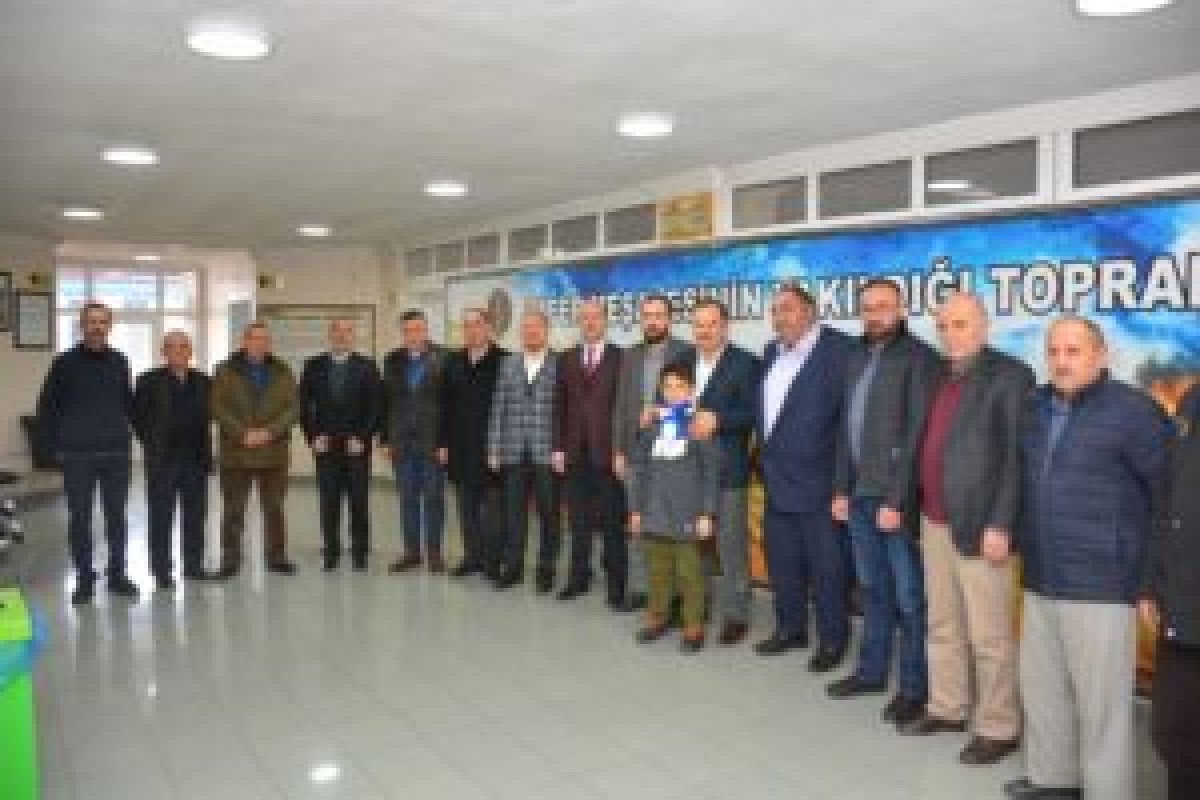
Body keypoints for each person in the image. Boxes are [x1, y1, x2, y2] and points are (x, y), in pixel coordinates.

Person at [1005, 317, 1171, 800]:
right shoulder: (1036, 406)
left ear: (1101, 355)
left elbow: (1167, 499)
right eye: (1054, 351)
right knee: (1044, 689)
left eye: (1073, 351)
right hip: (1041, 576)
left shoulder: (1134, 411)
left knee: (1102, 709)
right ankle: (1054, 781)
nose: (1061, 361)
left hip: (1103, 582)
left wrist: (1150, 579)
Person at [898, 293, 1033, 767]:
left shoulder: (1011, 376)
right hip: (934, 521)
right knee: (943, 623)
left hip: (982, 527)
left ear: (983, 326)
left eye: (960, 324)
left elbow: (1016, 459)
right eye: (943, 325)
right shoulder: (938, 374)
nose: (950, 334)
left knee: (989, 636)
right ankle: (948, 707)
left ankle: (998, 727)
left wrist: (1002, 523)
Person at [829, 278, 942, 729]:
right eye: (868, 307)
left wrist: (897, 499)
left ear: (901, 309)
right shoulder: (854, 355)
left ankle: (914, 689)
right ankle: (871, 673)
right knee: (872, 588)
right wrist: (840, 488)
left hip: (894, 500)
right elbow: (845, 429)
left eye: (883, 306)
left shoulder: (921, 359)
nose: (874, 314)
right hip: (858, 495)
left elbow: (917, 435)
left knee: (910, 597)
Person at [754, 284, 854, 668]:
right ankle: (790, 628)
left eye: (788, 309)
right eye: (775, 310)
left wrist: (842, 486)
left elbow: (848, 426)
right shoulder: (770, 352)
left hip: (821, 486)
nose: (780, 317)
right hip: (776, 481)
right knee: (783, 564)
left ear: (810, 311)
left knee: (828, 571)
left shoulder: (841, 351)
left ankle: (832, 640)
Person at [36, 301, 138, 605]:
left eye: (102, 322)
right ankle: (84, 578)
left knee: (116, 517)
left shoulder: (120, 361)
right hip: (77, 455)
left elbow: (128, 403)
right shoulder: (64, 362)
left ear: (110, 326)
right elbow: (48, 407)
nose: (97, 327)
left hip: (116, 454)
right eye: (92, 321)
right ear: (82, 325)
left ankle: (117, 575)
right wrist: (49, 451)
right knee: (80, 518)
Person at [681, 297, 760, 645]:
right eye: (698, 324)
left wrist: (719, 420)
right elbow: (670, 404)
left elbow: (756, 414)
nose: (705, 330)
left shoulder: (746, 363)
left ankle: (736, 614)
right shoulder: (681, 362)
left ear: (725, 326)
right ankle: (697, 606)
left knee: (731, 548)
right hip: (689, 472)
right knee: (695, 544)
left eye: (711, 324)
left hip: (729, 472)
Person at [628, 361, 721, 652]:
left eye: (680, 386)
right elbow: (639, 468)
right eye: (667, 387)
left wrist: (707, 513)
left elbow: (711, 472)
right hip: (655, 510)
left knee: (690, 574)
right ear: (661, 390)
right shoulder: (652, 426)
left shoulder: (699, 425)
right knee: (658, 570)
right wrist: (636, 509)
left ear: (691, 390)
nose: (673, 392)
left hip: (688, 513)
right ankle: (657, 617)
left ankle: (693, 626)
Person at [612, 294, 693, 610]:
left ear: (669, 319)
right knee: (637, 522)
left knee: (672, 525)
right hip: (637, 454)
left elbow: (692, 402)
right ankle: (639, 589)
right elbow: (620, 407)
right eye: (647, 315)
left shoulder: (686, 352)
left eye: (659, 315)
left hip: (674, 455)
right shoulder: (630, 355)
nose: (652, 321)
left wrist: (660, 412)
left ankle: (676, 595)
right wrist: (618, 451)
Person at [1143, 384, 1200, 800]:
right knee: (1172, 732)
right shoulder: (1192, 401)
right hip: (1181, 602)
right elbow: (1166, 504)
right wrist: (1151, 583)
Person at [552, 297, 626, 608]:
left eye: (596, 316)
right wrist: (557, 448)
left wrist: (622, 450)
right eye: (584, 317)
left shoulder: (621, 357)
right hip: (574, 454)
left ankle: (616, 585)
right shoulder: (566, 358)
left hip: (608, 454)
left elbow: (624, 407)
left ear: (605, 321)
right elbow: (559, 406)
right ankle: (578, 579)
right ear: (579, 322)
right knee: (578, 521)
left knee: (612, 522)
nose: (590, 322)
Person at [210, 321, 299, 578]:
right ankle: (230, 560)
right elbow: (217, 406)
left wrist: (269, 432)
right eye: (255, 338)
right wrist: (242, 433)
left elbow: (293, 409)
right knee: (233, 510)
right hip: (236, 452)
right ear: (245, 341)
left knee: (274, 509)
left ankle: (277, 557)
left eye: (264, 339)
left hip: (274, 453)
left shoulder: (284, 371)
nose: (260, 343)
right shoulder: (225, 370)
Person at [132, 330, 214, 588]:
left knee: (195, 517)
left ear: (190, 351)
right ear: (163, 352)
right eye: (172, 346)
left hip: (195, 461)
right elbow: (138, 419)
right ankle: (161, 571)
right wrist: (152, 443)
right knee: (161, 517)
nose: (178, 351)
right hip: (163, 462)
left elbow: (210, 416)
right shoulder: (148, 380)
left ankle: (193, 566)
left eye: (183, 346)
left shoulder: (204, 381)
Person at [298, 317, 382, 572]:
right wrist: (314, 437)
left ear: (353, 336)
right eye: (337, 331)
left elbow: (375, 408)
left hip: (356, 447)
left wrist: (363, 437)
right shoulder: (313, 365)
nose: (342, 336)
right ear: (330, 334)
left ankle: (360, 551)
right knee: (329, 502)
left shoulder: (367, 367)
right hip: (326, 447)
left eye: (347, 331)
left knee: (359, 501)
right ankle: (331, 550)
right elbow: (304, 406)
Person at [487, 308, 561, 592]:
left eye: (536, 327)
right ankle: (513, 566)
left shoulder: (559, 363)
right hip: (513, 451)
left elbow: (564, 410)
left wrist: (561, 449)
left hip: (547, 453)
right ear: (521, 332)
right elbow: (498, 407)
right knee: (514, 514)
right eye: (526, 327)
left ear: (546, 331)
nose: (531, 331)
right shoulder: (508, 363)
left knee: (549, 515)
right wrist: (494, 448)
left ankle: (546, 567)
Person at [437, 308, 509, 579]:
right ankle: (472, 558)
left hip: (493, 451)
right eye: (466, 325)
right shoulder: (452, 362)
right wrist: (442, 444)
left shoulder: (505, 360)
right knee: (465, 510)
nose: (471, 330)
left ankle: (493, 562)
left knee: (493, 515)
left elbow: (511, 408)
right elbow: (443, 406)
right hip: (460, 450)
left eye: (477, 324)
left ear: (488, 328)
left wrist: (502, 447)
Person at [381, 310, 447, 573]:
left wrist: (445, 443)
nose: (413, 335)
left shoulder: (445, 357)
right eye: (408, 330)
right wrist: (385, 439)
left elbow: (450, 404)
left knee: (434, 499)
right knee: (407, 498)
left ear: (426, 330)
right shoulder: (392, 360)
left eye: (418, 329)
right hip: (402, 444)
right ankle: (411, 553)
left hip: (433, 443)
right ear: (402, 333)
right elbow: (386, 401)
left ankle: (434, 553)